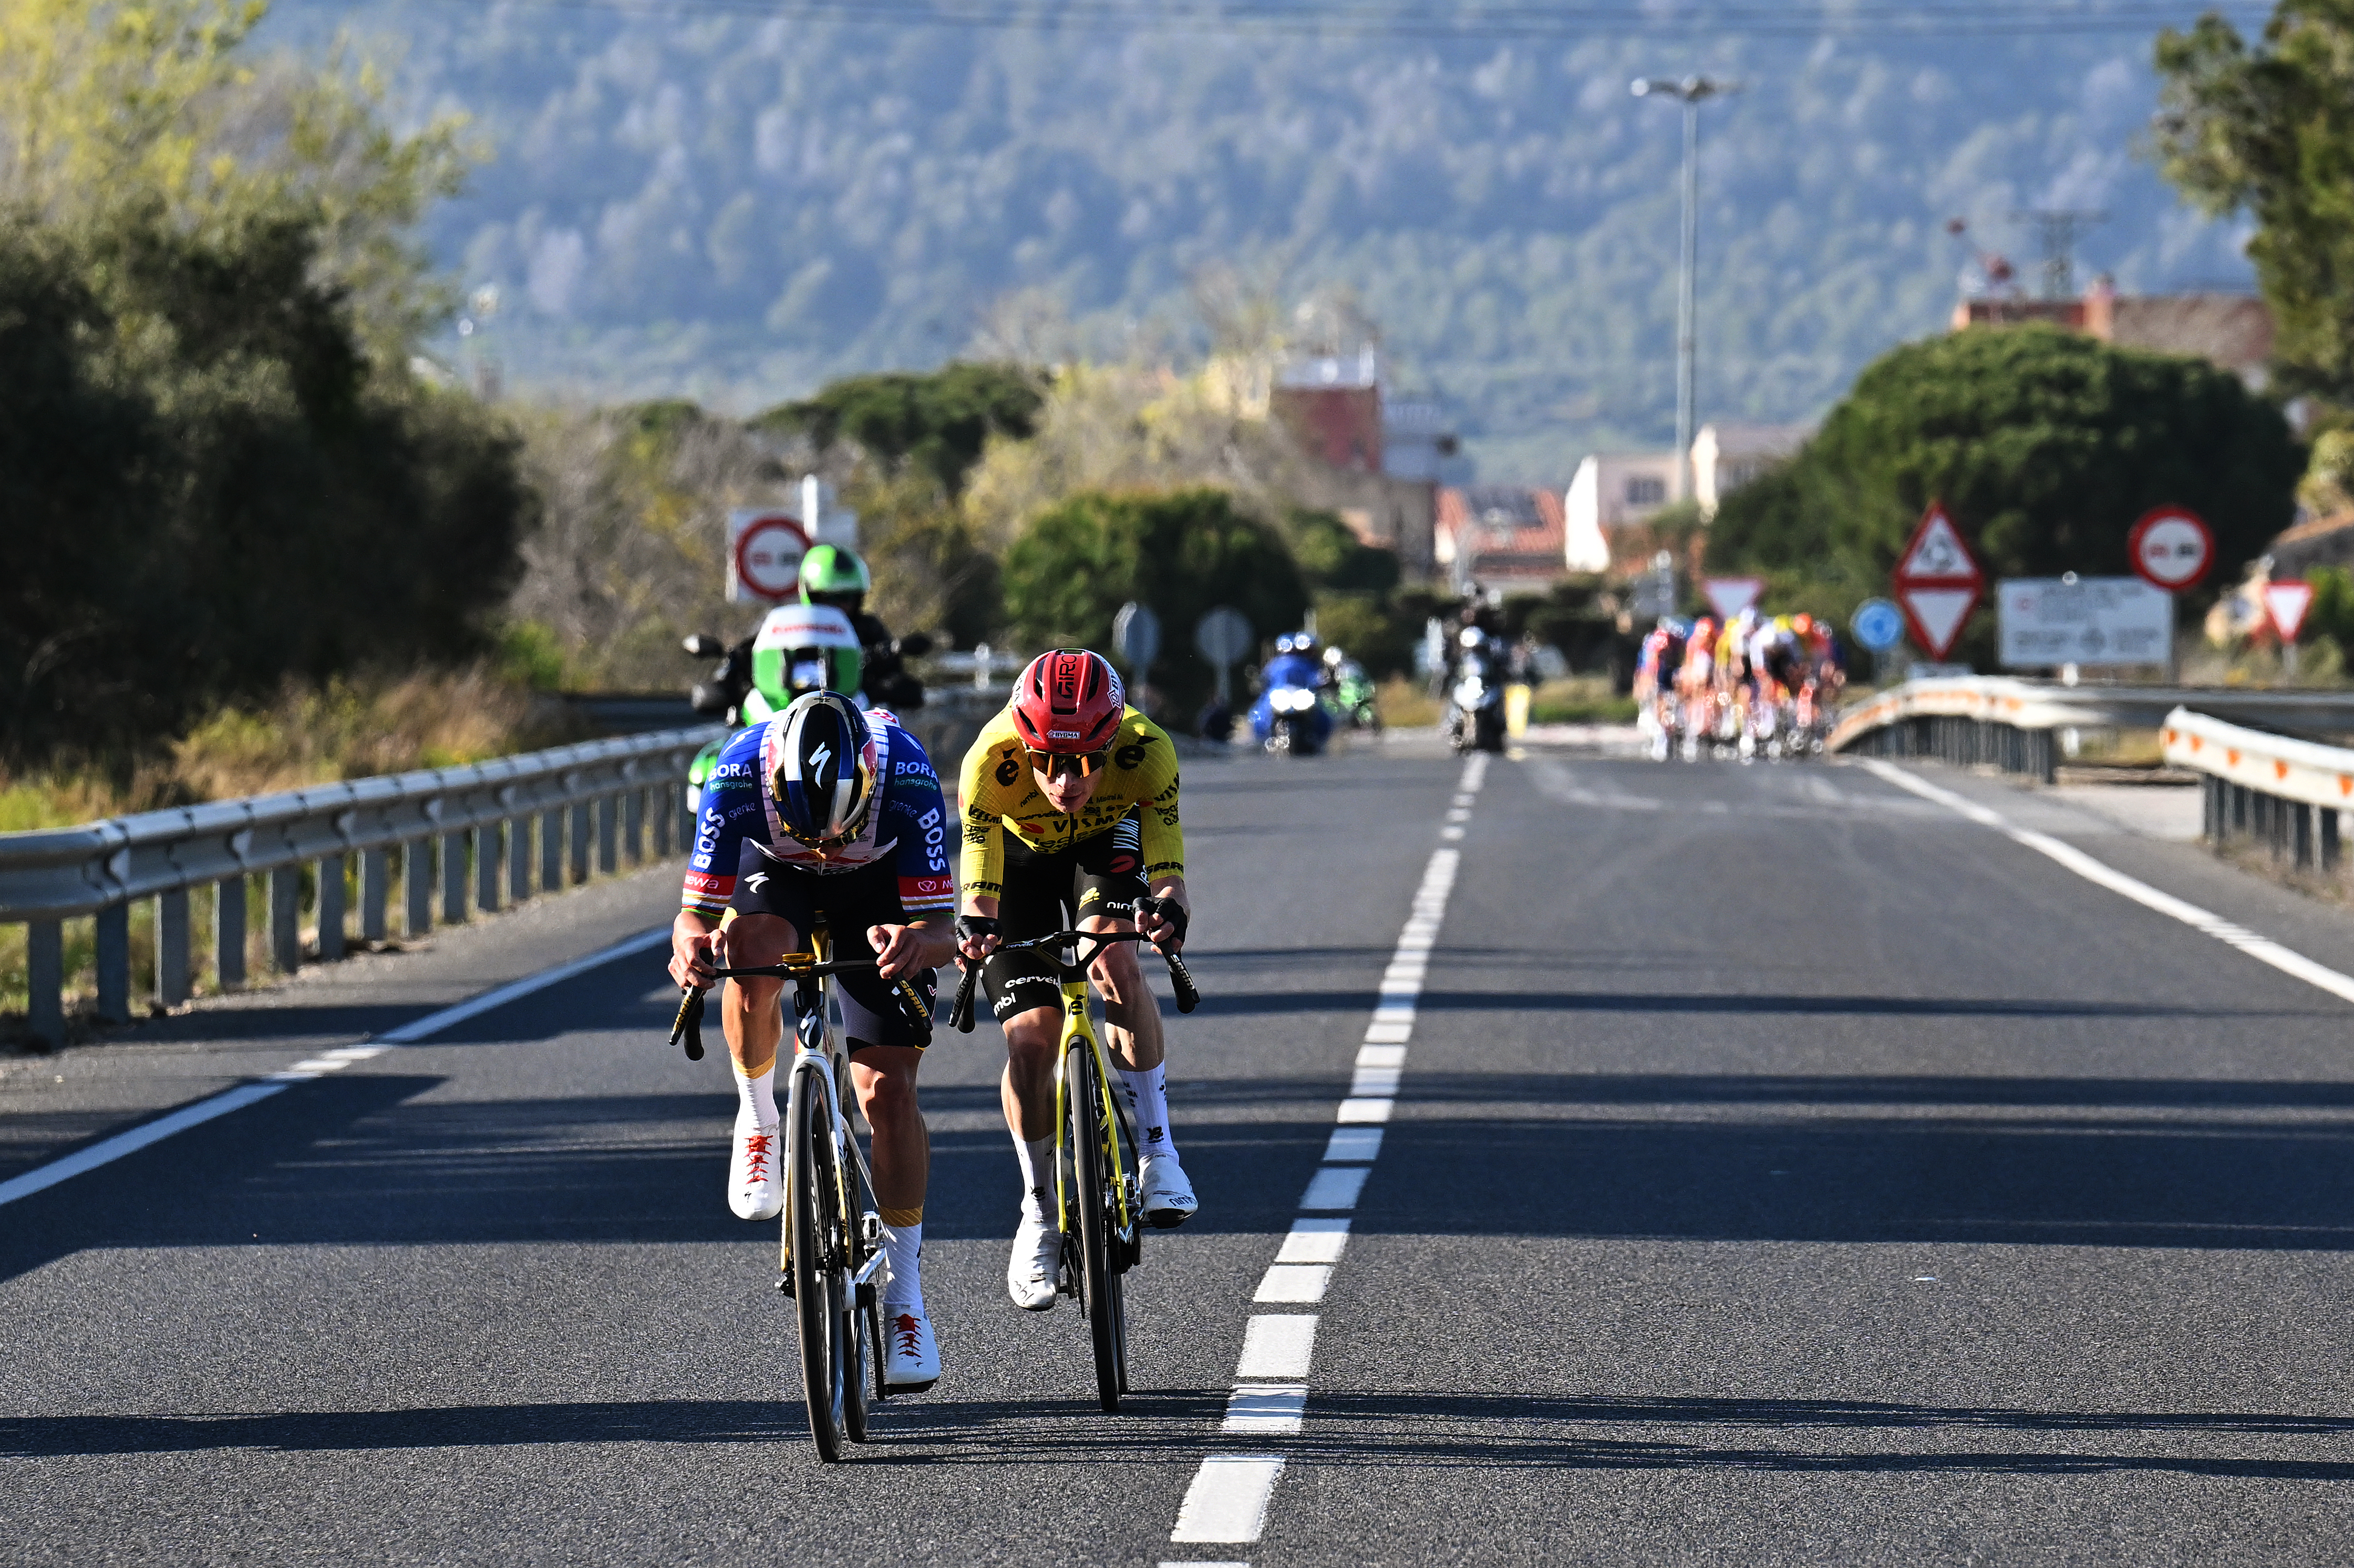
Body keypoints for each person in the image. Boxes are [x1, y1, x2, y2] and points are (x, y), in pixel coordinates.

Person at [667, 690, 959, 1390]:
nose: (827, 845)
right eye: (814, 828)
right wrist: (691, 952)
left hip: (877, 891)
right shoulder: (736, 774)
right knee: (747, 947)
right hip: (781, 879)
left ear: (866, 784)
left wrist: (915, 944)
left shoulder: (908, 779)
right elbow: (692, 918)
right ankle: (759, 1114)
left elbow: (947, 932)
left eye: (838, 827)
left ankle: (905, 1297)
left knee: (887, 1093)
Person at [953, 649, 1196, 1312]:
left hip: (1105, 848)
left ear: (1112, 740)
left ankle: (1157, 1149)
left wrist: (1168, 907)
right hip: (1020, 862)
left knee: (1117, 963)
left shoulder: (1146, 750)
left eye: (1086, 761)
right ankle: (1036, 1208)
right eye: (1049, 763)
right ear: (1023, 747)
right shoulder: (989, 761)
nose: (1066, 780)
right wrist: (975, 931)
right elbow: (977, 877)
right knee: (1031, 1039)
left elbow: (1166, 858)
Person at [799, 544, 925, 710]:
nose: (842, 606)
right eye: (831, 598)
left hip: (855, 717)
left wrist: (883, 689)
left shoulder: (868, 628)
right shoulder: (793, 629)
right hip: (796, 709)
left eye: (848, 597)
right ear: (812, 595)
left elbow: (894, 675)